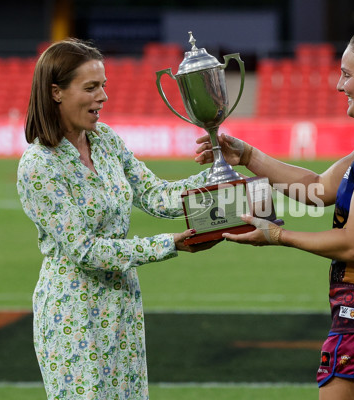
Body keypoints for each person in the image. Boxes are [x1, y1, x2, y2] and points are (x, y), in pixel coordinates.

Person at [195, 27, 354, 400]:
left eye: (347, 74)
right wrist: (248, 157)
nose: (339, 85)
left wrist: (277, 235)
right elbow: (319, 188)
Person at [16, 38, 216, 400]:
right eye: (91, 87)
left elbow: (156, 195)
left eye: (103, 85)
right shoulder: (39, 165)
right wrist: (168, 244)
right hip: (72, 311)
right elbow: (85, 251)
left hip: (122, 303)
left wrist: (219, 175)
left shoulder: (104, 139)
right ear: (56, 93)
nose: (103, 96)